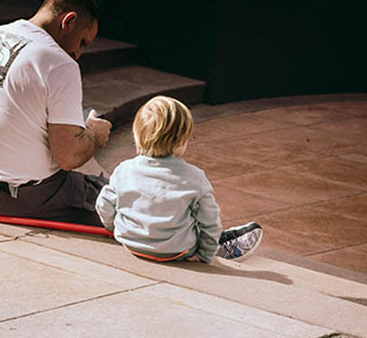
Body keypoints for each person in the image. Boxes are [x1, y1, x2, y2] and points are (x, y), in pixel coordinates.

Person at [0, 0, 112, 227]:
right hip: (22, 198)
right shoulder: (59, 62)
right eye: (83, 42)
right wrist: (94, 135)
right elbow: (68, 157)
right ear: (69, 21)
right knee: (126, 201)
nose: (78, 52)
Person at [95, 95, 263, 263]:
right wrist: (204, 255)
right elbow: (210, 222)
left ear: (137, 135)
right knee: (196, 222)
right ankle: (221, 246)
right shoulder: (195, 177)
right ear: (182, 141)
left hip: (131, 244)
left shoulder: (124, 169)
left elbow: (103, 204)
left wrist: (114, 227)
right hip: (177, 251)